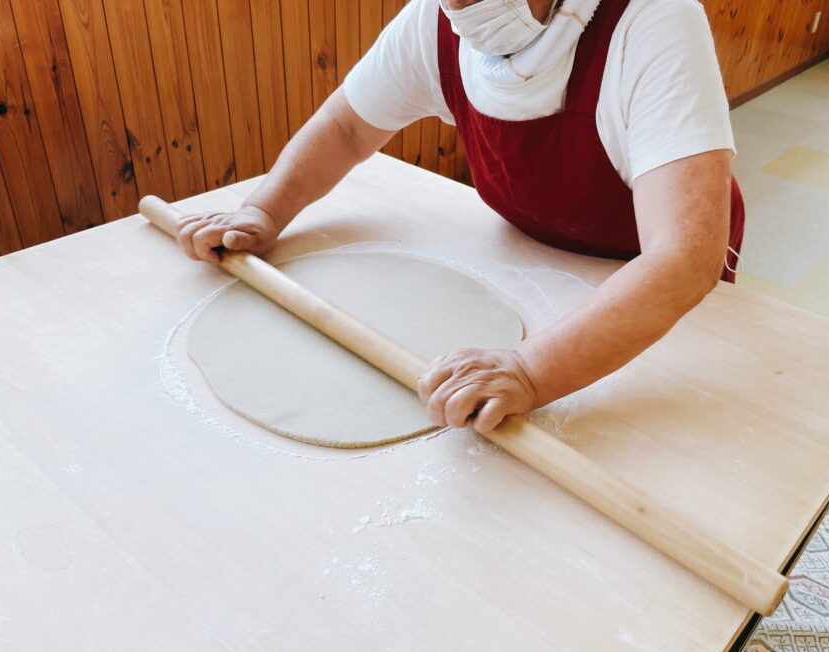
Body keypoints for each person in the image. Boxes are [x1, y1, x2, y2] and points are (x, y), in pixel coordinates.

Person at [176, 0, 743, 436]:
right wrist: (263, 211)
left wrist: (531, 370)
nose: (463, 8)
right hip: (534, 251)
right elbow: (347, 128)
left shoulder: (653, 20)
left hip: (651, 293)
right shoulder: (436, 21)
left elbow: (683, 258)